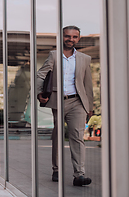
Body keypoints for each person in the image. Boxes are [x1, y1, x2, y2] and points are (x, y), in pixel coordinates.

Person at [37, 25, 93, 186]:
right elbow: (41, 74)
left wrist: (90, 106)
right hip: (58, 101)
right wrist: (40, 93)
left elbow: (87, 84)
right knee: (58, 136)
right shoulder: (54, 55)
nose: (71, 39)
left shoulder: (84, 58)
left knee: (77, 137)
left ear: (78, 38)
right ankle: (56, 170)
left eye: (74, 37)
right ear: (62, 37)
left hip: (77, 101)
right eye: (68, 36)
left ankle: (79, 174)